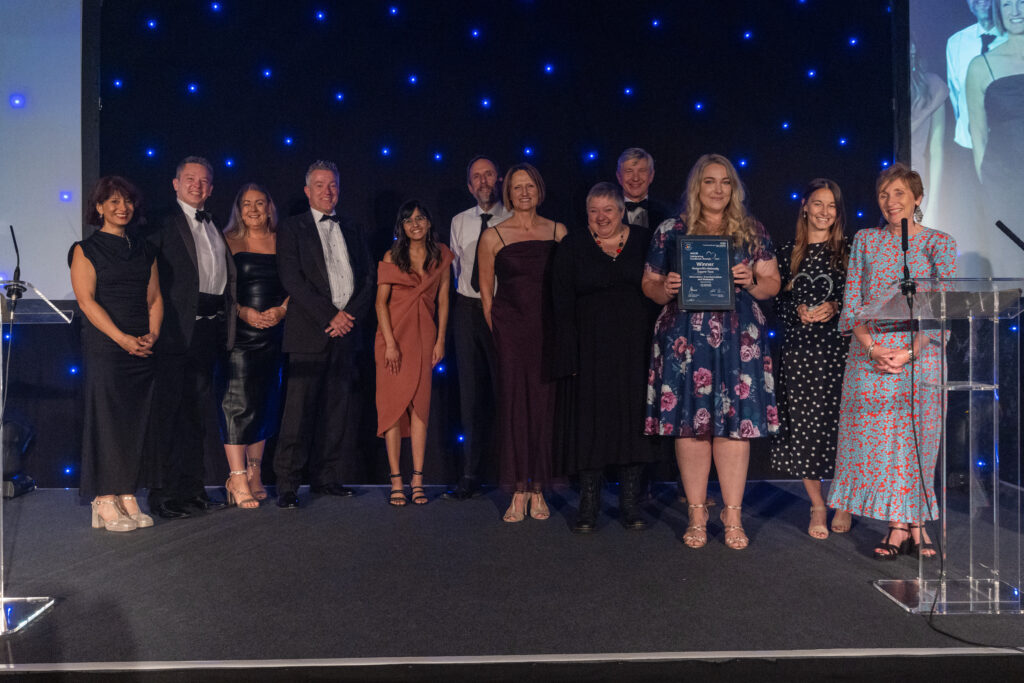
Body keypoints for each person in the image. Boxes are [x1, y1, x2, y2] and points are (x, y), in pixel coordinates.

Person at [641, 154, 780, 550]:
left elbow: (773, 283)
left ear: (734, 189)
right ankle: (697, 511)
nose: (718, 189)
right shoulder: (671, 230)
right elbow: (648, 283)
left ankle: (732, 514)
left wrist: (752, 279)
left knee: (735, 427)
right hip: (685, 340)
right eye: (709, 182)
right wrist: (663, 288)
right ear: (696, 187)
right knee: (691, 426)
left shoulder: (751, 231)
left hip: (739, 341)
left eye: (725, 182)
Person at [827, 163, 957, 560]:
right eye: (884, 194)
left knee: (919, 439)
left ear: (917, 198)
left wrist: (911, 351)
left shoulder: (940, 243)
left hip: (922, 351)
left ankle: (916, 525)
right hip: (872, 350)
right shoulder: (866, 240)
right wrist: (872, 348)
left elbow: (943, 308)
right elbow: (851, 305)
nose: (890, 201)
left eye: (899, 193)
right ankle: (897, 526)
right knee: (886, 446)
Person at [552, 182, 658, 533]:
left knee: (632, 422)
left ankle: (630, 503)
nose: (601, 217)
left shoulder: (645, 240)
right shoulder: (573, 245)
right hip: (589, 349)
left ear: (621, 211)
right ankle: (589, 504)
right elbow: (560, 302)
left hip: (636, 348)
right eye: (594, 211)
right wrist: (568, 352)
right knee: (589, 426)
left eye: (608, 210)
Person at [274, 160, 375, 509]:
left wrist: (349, 318)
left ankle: (327, 477)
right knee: (298, 412)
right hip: (309, 332)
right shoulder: (291, 228)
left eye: (332, 184)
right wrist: (331, 316)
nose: (327, 191)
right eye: (319, 185)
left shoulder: (354, 227)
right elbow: (292, 279)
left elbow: (368, 280)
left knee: (337, 410)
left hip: (346, 333)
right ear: (307, 190)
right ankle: (287, 484)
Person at [145, 156, 236, 520]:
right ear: (175, 183)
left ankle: (192, 490)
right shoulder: (161, 223)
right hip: (173, 333)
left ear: (212, 188)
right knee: (167, 415)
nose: (197, 186)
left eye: (204, 181)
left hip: (208, 332)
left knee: (196, 416)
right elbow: (149, 281)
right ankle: (163, 495)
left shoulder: (215, 226)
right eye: (190, 179)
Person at [70, 176, 162, 531]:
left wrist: (152, 334)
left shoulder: (144, 249)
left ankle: (126, 493)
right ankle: (103, 498)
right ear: (99, 208)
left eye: (127, 201)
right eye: (113, 202)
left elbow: (154, 298)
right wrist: (122, 339)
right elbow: (86, 301)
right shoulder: (85, 249)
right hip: (107, 346)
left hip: (142, 345)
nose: (122, 208)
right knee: (107, 420)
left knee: (135, 421)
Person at [477, 162, 567, 522]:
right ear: (508, 194)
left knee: (545, 407)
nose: (524, 192)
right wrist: (501, 330)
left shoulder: (558, 231)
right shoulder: (493, 236)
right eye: (517, 187)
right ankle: (517, 489)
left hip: (549, 331)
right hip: (512, 332)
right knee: (514, 405)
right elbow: (486, 294)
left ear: (539, 190)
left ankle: (538, 488)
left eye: (530, 186)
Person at [769, 179, 850, 540]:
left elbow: (863, 302)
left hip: (840, 353)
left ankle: (845, 501)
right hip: (799, 353)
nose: (825, 212)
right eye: (818, 204)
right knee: (805, 428)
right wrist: (796, 309)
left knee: (843, 429)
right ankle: (817, 503)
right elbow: (776, 304)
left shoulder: (850, 250)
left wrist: (837, 306)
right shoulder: (785, 252)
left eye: (831, 206)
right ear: (804, 206)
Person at [375, 201, 453, 506]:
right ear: (401, 227)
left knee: (420, 407)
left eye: (420, 218)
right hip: (392, 339)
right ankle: (396, 479)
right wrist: (391, 343)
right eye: (408, 220)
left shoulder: (442, 255)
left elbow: (444, 301)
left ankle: (418, 479)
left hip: (424, 338)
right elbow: (381, 303)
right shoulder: (391, 256)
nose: (415, 224)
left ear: (429, 222)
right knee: (393, 409)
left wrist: (441, 340)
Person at [443, 156, 511, 500]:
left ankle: (511, 471)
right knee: (469, 393)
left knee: (507, 391)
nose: (483, 181)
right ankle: (470, 474)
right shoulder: (458, 221)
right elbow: (454, 271)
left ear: (498, 179)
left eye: (488, 174)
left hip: (503, 309)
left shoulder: (514, 218)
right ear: (469, 186)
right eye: (476, 177)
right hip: (467, 309)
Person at [220, 183, 288, 509]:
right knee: (237, 405)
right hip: (239, 335)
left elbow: (299, 281)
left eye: (260, 203)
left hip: (273, 333)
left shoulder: (282, 242)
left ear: (270, 207)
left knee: (264, 404)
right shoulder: (227, 241)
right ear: (238, 209)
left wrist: (282, 310)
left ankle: (254, 473)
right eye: (247, 204)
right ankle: (235, 476)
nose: (254, 209)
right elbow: (219, 290)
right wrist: (243, 312)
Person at [965, 0, 1024, 239]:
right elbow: (977, 134)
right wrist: (988, 182)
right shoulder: (981, 66)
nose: (1015, 11)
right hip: (1003, 181)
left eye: (1021, 2)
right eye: (1007, 4)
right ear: (998, 10)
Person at [947, 0, 1005, 152]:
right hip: (966, 146)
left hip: (1008, 148)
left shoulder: (1016, 41)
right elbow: (956, 96)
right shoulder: (956, 42)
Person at [615, 148, 674, 230]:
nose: (635, 178)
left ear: (651, 176)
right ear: (619, 177)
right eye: (629, 171)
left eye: (642, 171)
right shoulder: (606, 213)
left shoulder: (667, 213)